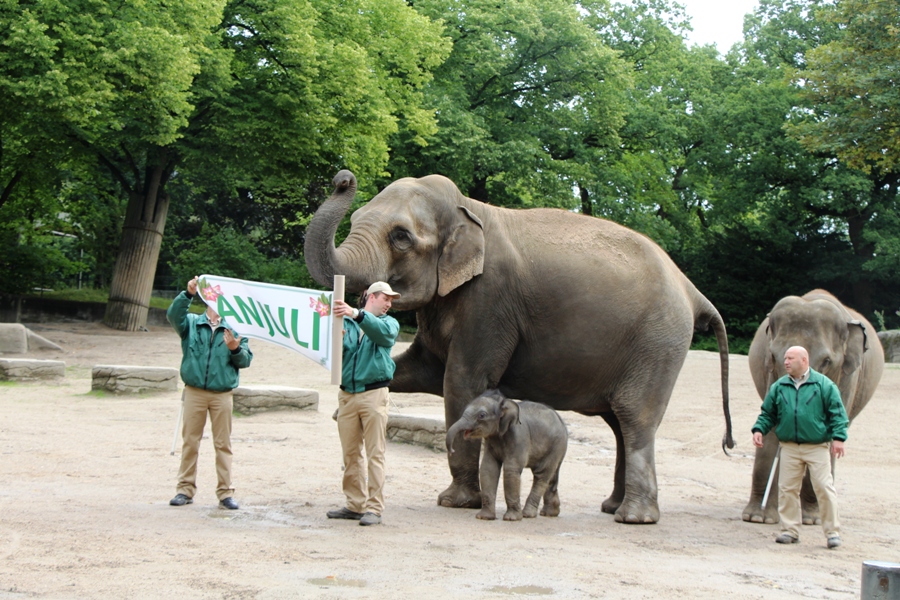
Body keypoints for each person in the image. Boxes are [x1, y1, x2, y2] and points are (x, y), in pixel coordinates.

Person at [167, 275, 253, 510]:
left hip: (222, 394)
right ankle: (184, 490)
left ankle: (225, 493)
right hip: (194, 391)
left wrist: (235, 349)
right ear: (207, 297)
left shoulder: (236, 328)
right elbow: (173, 316)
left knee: (223, 444)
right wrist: (188, 294)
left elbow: (246, 361)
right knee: (190, 442)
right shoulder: (192, 323)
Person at [751, 345, 849, 549]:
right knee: (787, 489)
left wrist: (839, 438)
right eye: (785, 358)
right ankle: (789, 530)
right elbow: (768, 413)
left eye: (790, 358)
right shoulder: (779, 386)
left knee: (824, 487)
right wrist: (759, 429)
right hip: (788, 447)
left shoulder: (824, 385)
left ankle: (832, 533)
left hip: (817, 447)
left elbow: (838, 414)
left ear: (804, 360)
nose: (785, 362)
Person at [327, 281, 400, 526]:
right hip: (347, 395)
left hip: (374, 394)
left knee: (374, 453)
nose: (389, 304)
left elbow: (384, 335)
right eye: (385, 298)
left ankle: (374, 508)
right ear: (371, 296)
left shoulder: (388, 323)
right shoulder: (343, 323)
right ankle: (354, 504)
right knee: (350, 453)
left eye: (391, 300)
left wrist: (356, 314)